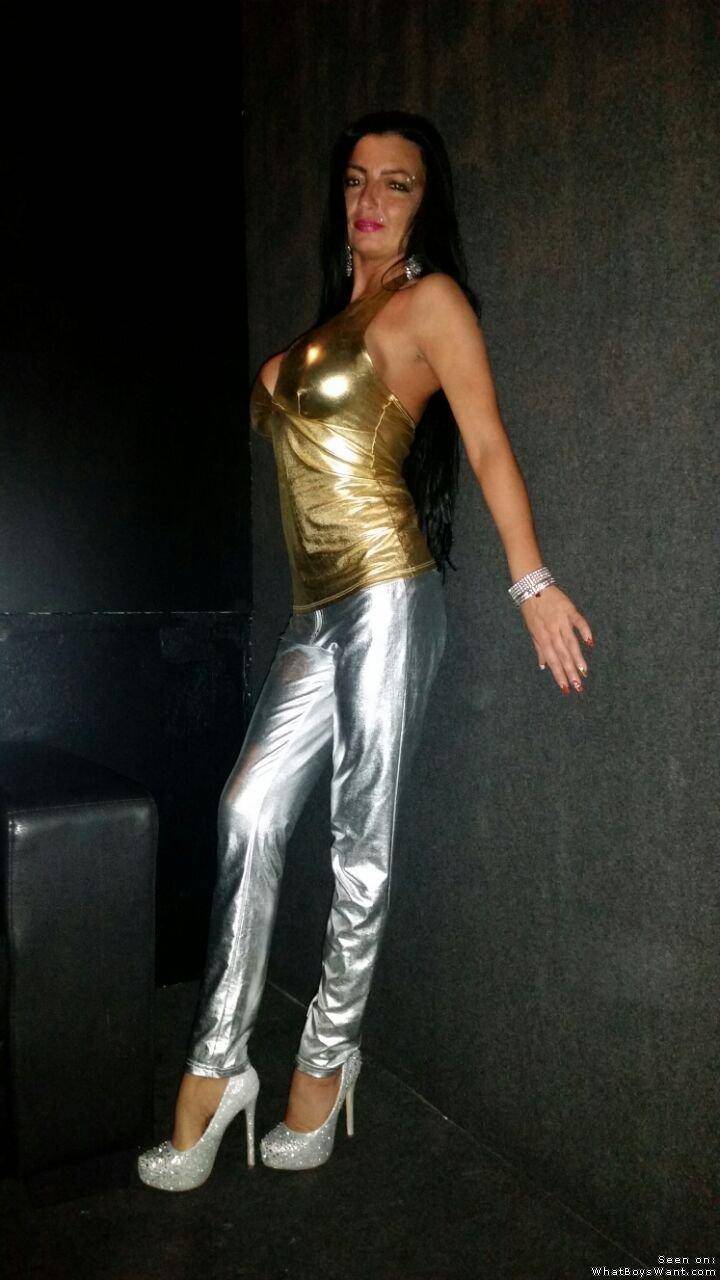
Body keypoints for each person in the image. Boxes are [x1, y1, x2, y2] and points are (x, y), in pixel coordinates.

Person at [138, 109, 594, 1190]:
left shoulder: (428, 305)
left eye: (397, 182)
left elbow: (486, 441)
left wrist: (531, 581)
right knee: (246, 813)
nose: (372, 200)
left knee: (361, 840)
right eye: (356, 180)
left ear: (425, 204)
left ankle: (325, 1060)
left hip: (389, 593)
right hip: (316, 615)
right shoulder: (328, 327)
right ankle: (219, 1062)